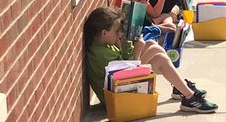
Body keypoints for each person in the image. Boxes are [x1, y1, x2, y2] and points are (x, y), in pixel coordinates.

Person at [84, 6, 216, 113]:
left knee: (152, 46)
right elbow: (127, 72)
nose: (119, 34)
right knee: (157, 54)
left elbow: (124, 62)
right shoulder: (100, 53)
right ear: (104, 33)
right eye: (116, 31)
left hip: (120, 88)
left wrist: (125, 43)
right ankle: (189, 97)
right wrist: (137, 50)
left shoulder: (104, 46)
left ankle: (181, 88)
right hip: (116, 99)